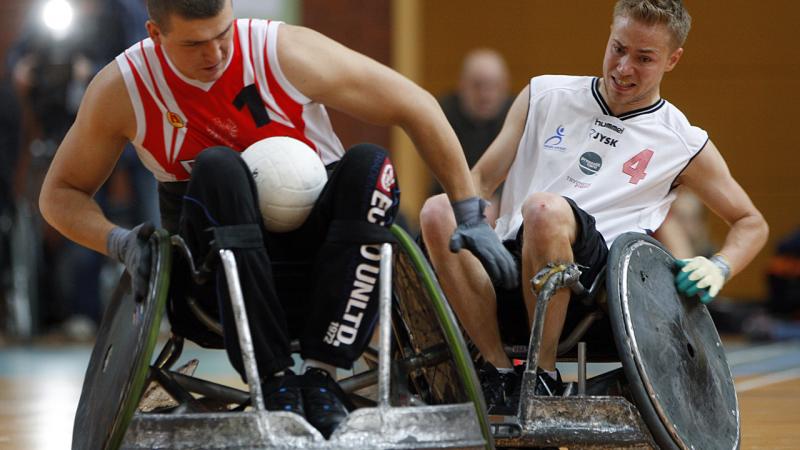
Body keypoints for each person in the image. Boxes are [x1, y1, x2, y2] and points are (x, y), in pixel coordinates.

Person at [38, 0, 517, 439]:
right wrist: (118, 241)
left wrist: (468, 212)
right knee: (220, 166)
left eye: (222, 33)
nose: (216, 53)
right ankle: (272, 380)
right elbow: (59, 194)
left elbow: (415, 104)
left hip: (324, 271)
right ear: (154, 34)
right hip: (210, 284)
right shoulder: (124, 87)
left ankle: (321, 375)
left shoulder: (282, 51)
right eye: (194, 44)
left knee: (372, 165)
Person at [419, 0, 768, 415]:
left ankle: (542, 375)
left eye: (644, 59)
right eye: (618, 49)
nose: (623, 68)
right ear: (609, 35)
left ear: (672, 60)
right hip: (512, 261)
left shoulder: (683, 142)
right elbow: (476, 184)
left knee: (544, 210)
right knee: (439, 210)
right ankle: (497, 371)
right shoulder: (544, 95)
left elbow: (751, 222)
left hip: (595, 286)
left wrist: (720, 266)